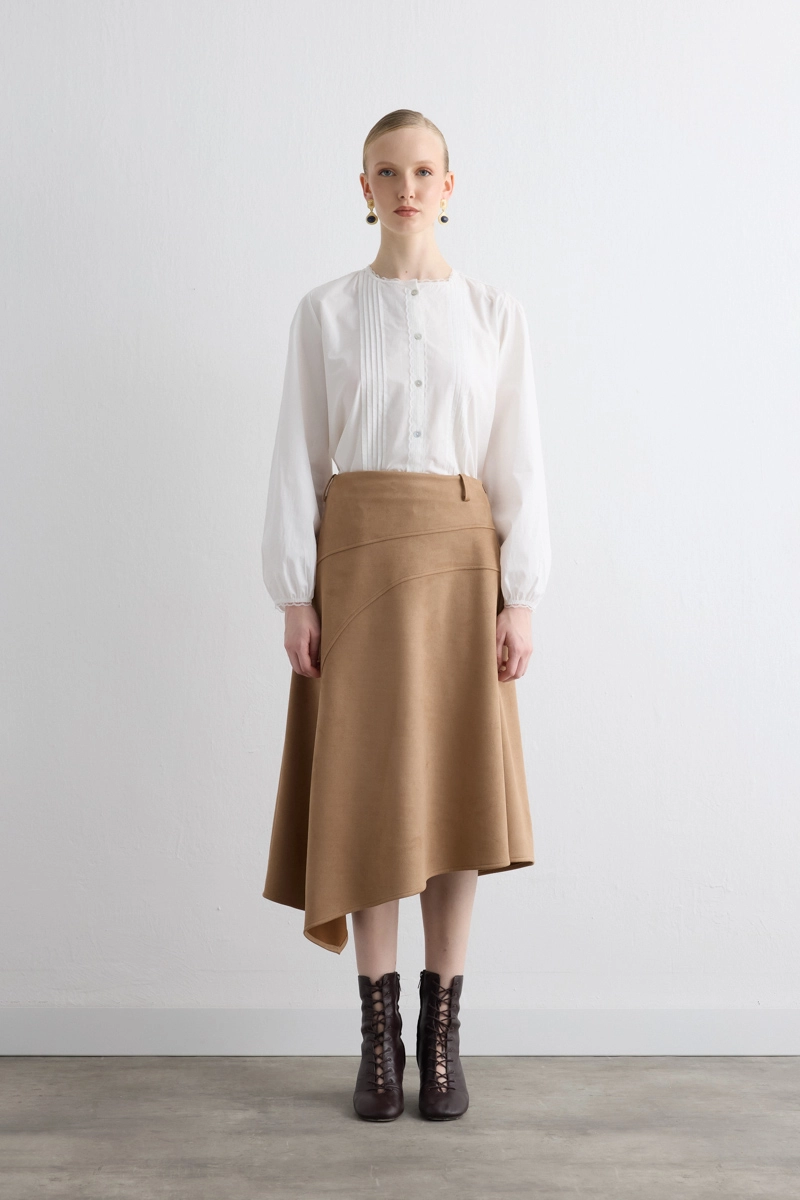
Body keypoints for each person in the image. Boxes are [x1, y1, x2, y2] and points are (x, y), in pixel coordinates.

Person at [260, 109, 551, 1123]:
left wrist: (521, 596)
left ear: (449, 184)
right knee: (370, 795)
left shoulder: (495, 313)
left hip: (463, 567)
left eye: (423, 170)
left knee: (455, 799)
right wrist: (294, 592)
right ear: (364, 188)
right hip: (358, 564)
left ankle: (441, 1033)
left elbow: (518, 461)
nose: (406, 188)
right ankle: (377, 1039)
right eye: (387, 172)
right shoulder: (326, 313)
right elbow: (297, 454)